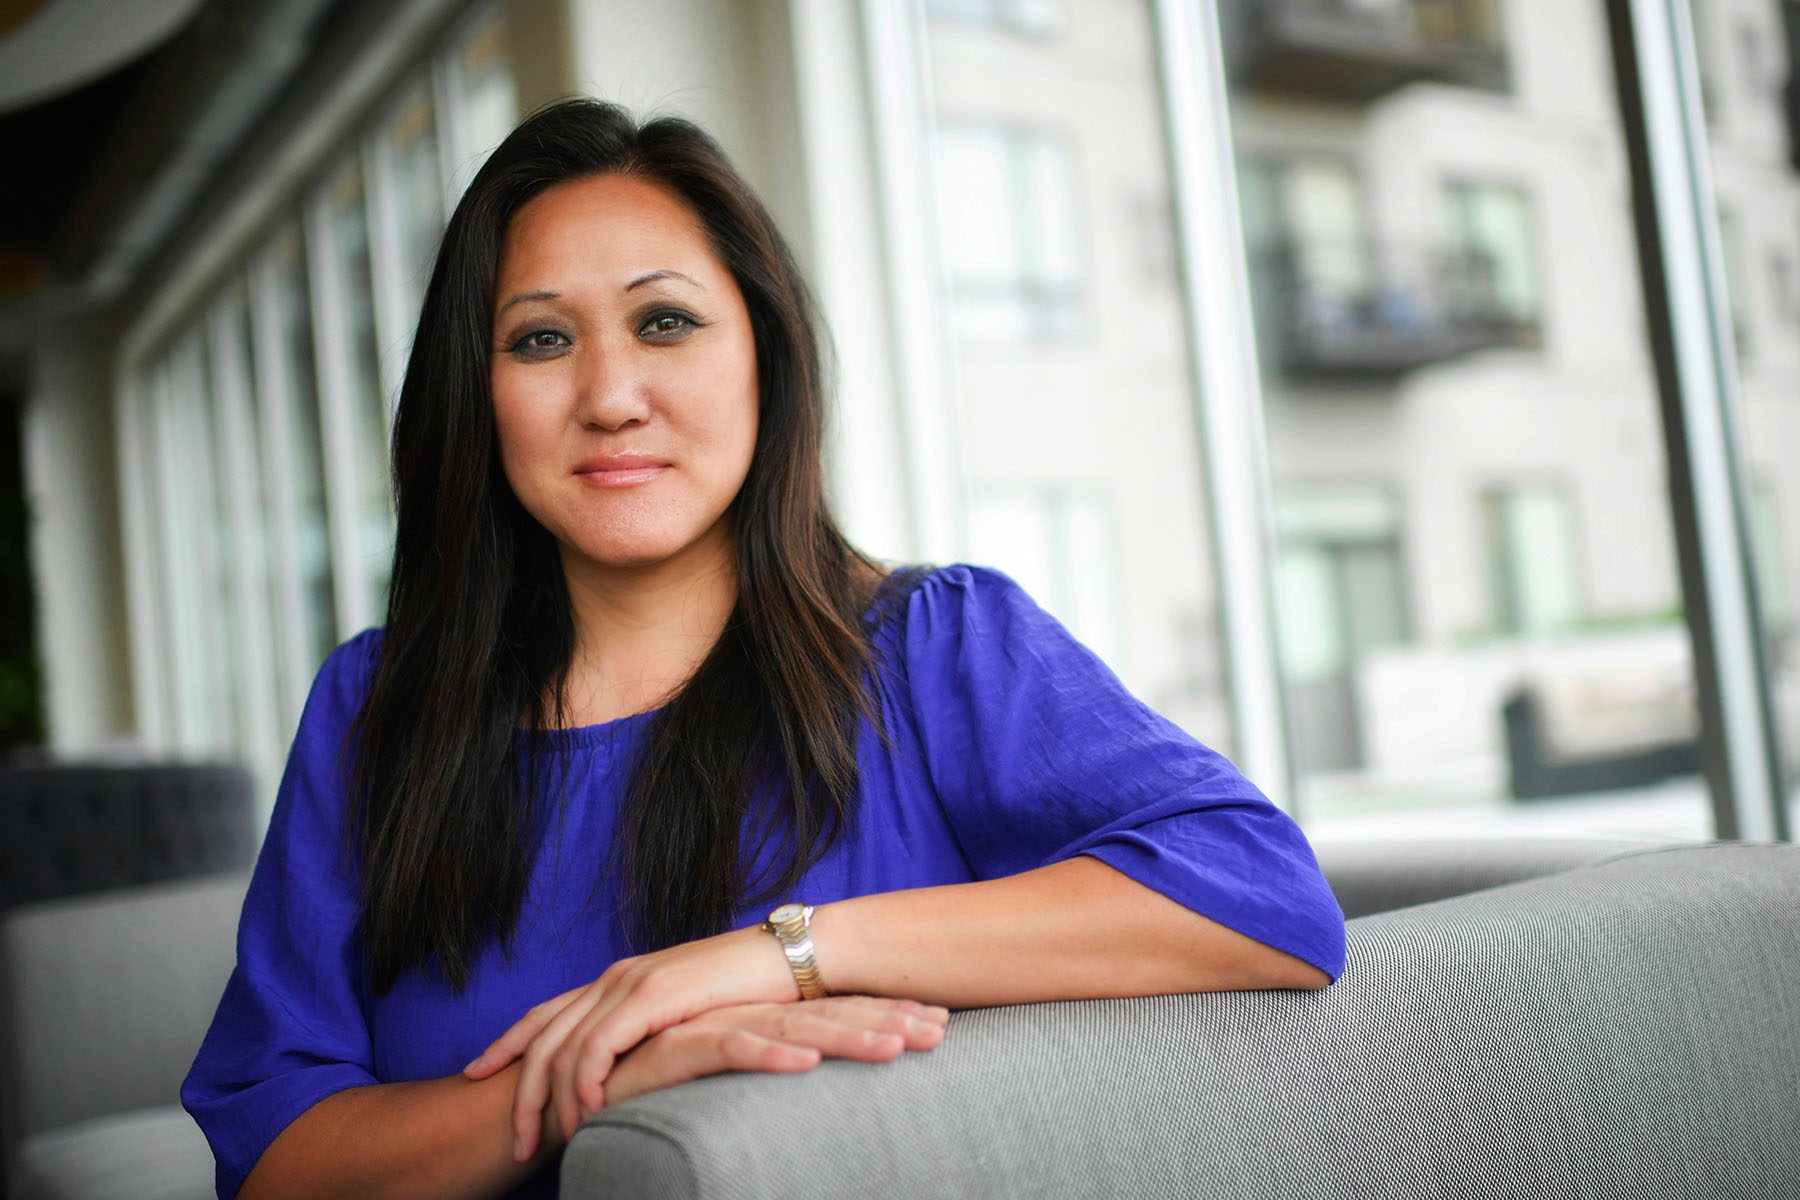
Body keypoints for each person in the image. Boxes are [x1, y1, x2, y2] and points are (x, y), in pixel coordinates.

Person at [181, 96, 1346, 1200]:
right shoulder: (376, 708)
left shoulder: (933, 650)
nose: (611, 394)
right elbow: (274, 1158)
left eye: (666, 322)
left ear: (763, 357)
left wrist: (780, 956)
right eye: (540, 340)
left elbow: (1263, 899)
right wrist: (594, 1086)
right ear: (474, 398)